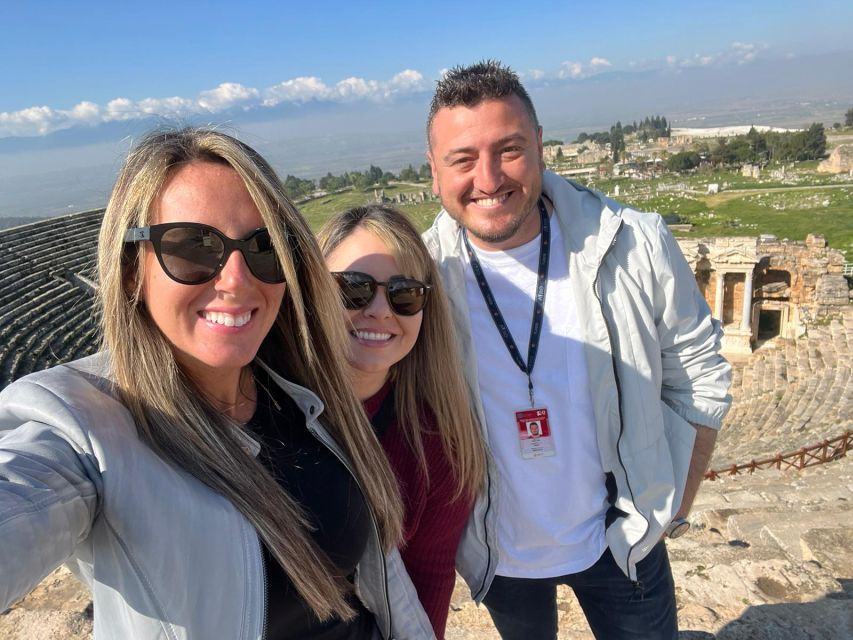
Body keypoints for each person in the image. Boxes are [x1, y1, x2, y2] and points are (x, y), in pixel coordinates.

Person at [0, 127, 435, 639]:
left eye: (264, 246)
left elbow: (379, 579)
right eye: (193, 247)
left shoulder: (303, 390)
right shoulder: (84, 426)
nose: (236, 278)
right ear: (131, 270)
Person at [422, 61, 733, 639]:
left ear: (540, 147)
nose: (487, 178)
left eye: (508, 149)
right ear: (434, 172)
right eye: (463, 159)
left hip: (624, 540)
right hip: (498, 555)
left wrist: (674, 510)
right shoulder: (418, 279)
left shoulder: (633, 242)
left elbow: (699, 374)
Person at [318, 205, 486, 639]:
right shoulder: (261, 403)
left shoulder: (436, 441)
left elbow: (429, 575)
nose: (380, 310)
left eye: (404, 294)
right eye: (353, 289)